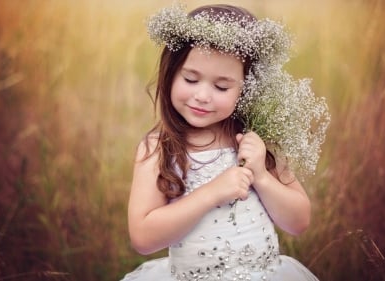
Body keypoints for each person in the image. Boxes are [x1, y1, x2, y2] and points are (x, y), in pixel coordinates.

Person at [121, 3, 324, 281]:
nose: (203, 95)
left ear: (246, 88)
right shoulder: (158, 148)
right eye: (191, 79)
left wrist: (262, 177)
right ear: (170, 73)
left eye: (221, 87)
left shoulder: (255, 139)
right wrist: (211, 193)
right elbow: (143, 238)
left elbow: (299, 221)